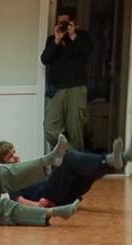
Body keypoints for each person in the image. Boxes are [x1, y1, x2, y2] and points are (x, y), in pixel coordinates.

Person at [0, 136, 130, 208]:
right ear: (3, 163)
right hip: (49, 195)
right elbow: (18, 200)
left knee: (85, 172)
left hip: (66, 196)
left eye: (14, 152)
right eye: (10, 157)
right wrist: (37, 205)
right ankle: (115, 160)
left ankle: (122, 159)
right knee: (68, 158)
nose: (15, 156)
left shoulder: (24, 168)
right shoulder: (10, 178)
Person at [41, 5, 92, 151]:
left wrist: (73, 35)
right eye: (60, 23)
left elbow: (87, 52)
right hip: (57, 88)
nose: (62, 26)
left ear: (73, 22)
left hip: (76, 87)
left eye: (65, 23)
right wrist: (57, 40)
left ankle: (76, 161)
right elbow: (45, 59)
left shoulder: (82, 36)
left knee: (76, 129)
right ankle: (72, 153)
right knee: (50, 127)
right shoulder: (53, 39)